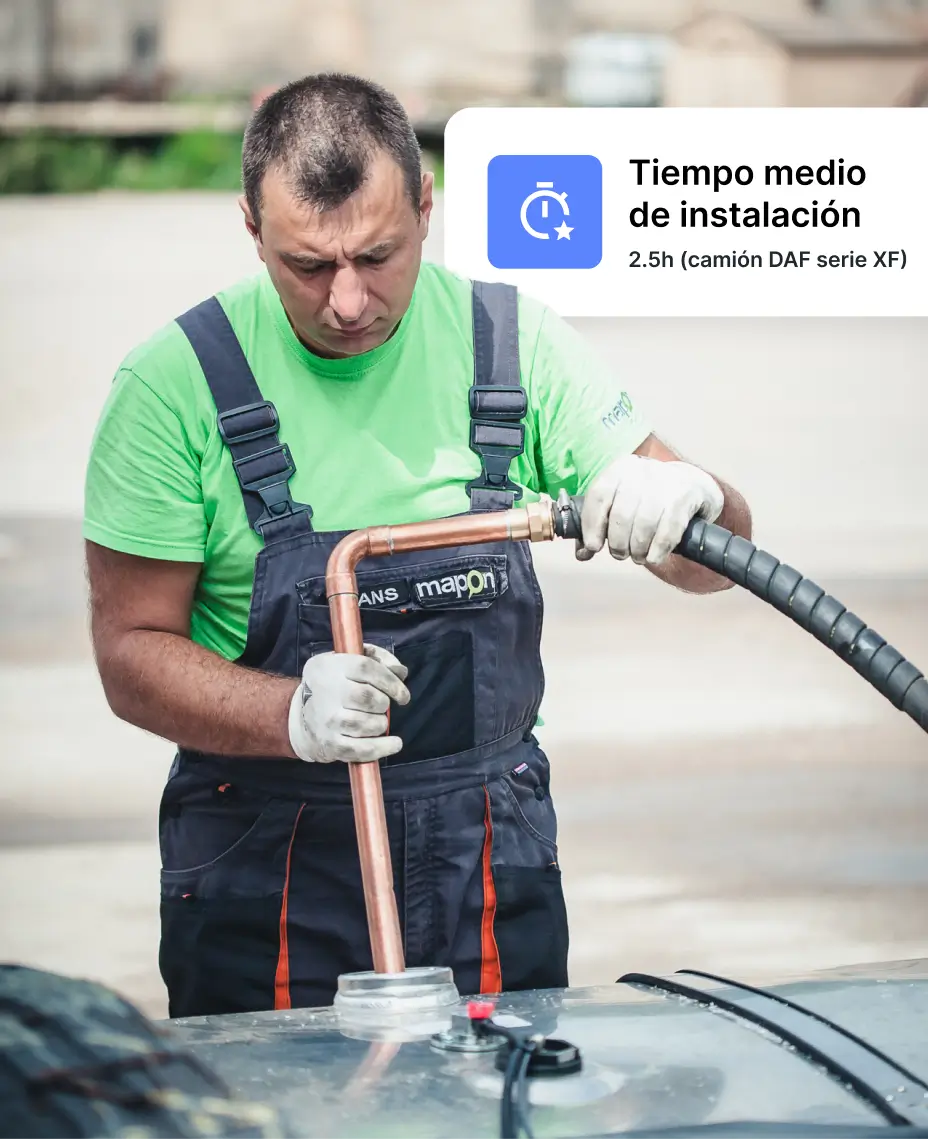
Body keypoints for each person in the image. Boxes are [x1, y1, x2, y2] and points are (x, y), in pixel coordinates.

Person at [83, 73, 751, 1018]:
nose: (348, 300)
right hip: (267, 870)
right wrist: (291, 715)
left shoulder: (510, 346)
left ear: (427, 205)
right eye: (307, 264)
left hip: (487, 850)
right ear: (250, 228)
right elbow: (128, 653)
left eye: (377, 255)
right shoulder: (173, 385)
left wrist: (687, 502)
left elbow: (721, 555)